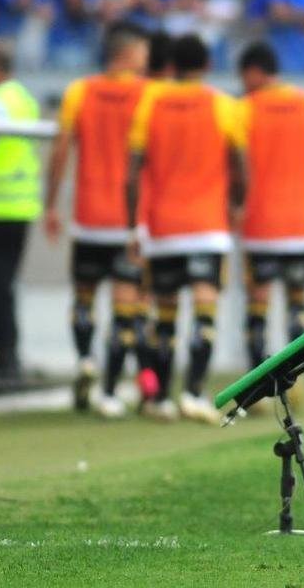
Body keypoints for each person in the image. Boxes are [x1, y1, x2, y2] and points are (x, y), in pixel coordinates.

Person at [126, 34, 245, 423]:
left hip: (163, 228)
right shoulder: (223, 106)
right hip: (208, 226)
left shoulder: (151, 103)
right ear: (207, 65)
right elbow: (240, 165)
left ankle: (159, 397)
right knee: (205, 313)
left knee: (165, 318)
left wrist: (133, 225)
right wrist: (236, 205)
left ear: (172, 65)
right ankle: (193, 392)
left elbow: (133, 172)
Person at [44, 23, 154, 416]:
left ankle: (85, 360)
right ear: (128, 54)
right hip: (130, 221)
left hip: (87, 216)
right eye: (143, 51)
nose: (147, 58)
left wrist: (51, 205)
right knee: (128, 307)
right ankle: (110, 390)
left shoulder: (79, 91)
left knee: (84, 297)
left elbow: (60, 151)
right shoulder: (148, 94)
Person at [236, 42, 304, 369]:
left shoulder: (244, 109)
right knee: (299, 300)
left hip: (260, 224)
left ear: (253, 72)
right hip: (303, 224)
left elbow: (236, 166)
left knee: (258, 300)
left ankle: (258, 375)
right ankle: (296, 373)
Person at [0, 41, 41, 386]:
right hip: (20, 204)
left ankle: (6, 362)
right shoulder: (23, 97)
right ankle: (8, 357)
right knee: (3, 286)